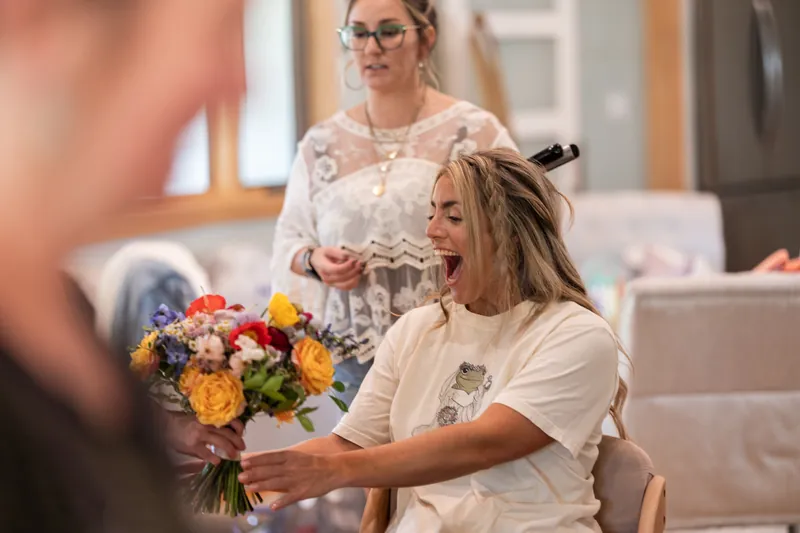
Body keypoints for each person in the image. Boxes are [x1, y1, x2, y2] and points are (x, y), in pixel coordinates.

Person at [241, 149, 629, 533]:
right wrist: (235, 477)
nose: (430, 230)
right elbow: (347, 446)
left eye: (454, 216)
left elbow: (484, 443)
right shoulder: (415, 330)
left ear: (511, 234)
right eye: (432, 213)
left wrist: (335, 472)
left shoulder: (576, 335)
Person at [0, 0, 246, 531]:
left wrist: (163, 431)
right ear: (44, 23)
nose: (238, 84)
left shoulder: (63, 305)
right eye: (220, 32)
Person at [270, 0, 518, 404]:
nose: (371, 48)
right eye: (358, 33)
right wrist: (314, 260)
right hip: (353, 368)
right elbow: (289, 242)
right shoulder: (320, 144)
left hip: (459, 354)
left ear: (425, 40)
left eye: (388, 32)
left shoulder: (473, 131)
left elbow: (522, 231)